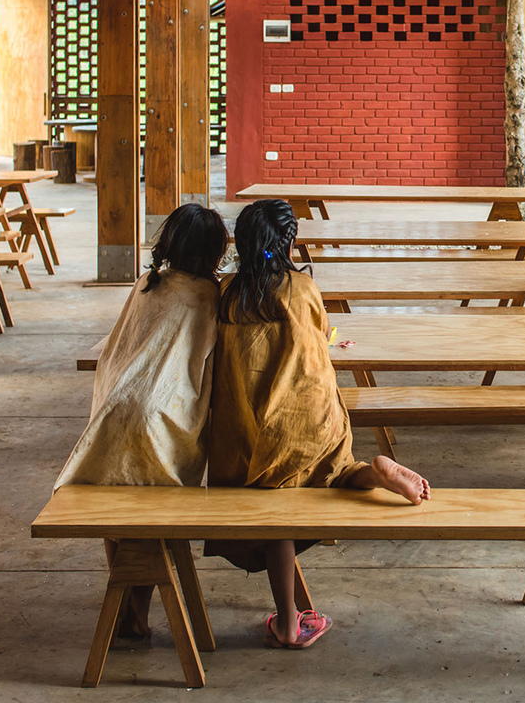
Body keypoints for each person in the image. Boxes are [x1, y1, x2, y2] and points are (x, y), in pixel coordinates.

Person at [208, 198, 432, 650]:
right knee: (332, 472)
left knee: (271, 497)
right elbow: (315, 344)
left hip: (246, 434)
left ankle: (289, 622)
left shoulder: (228, 294)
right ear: (289, 241)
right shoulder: (301, 288)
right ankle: (371, 472)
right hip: (308, 425)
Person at [54, 202, 229, 638]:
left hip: (115, 407)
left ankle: (126, 602)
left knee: (112, 501)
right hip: (161, 417)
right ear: (215, 251)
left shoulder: (147, 283)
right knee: (154, 513)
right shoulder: (211, 294)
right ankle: (136, 610)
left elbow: (119, 348)